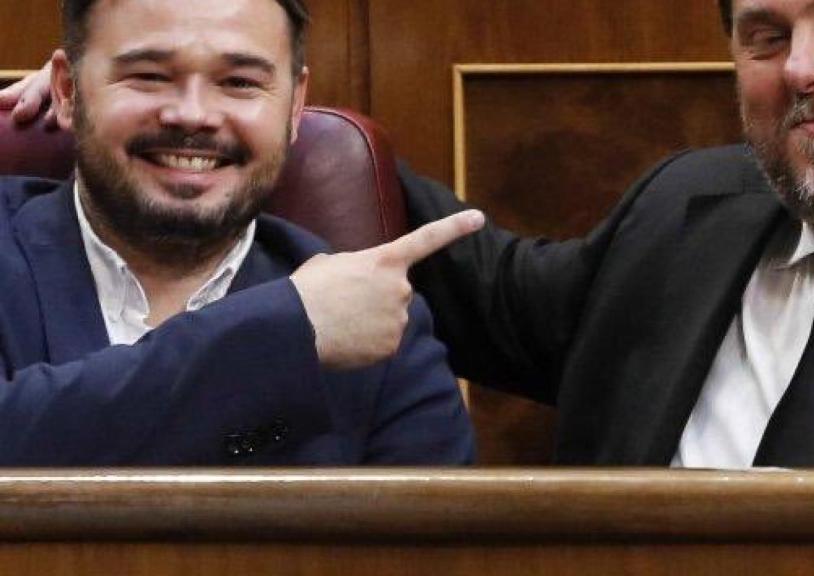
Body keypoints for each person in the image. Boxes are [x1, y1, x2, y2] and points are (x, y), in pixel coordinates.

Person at [9, 0, 814, 469]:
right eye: (764, 33)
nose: (800, 67)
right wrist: (189, 125)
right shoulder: (688, 216)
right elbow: (470, 276)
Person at [0, 0, 483, 465]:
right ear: (67, 91)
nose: (193, 114)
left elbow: (430, 545)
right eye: (149, 76)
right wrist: (284, 336)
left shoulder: (379, 322)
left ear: (294, 107)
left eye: (239, 82)